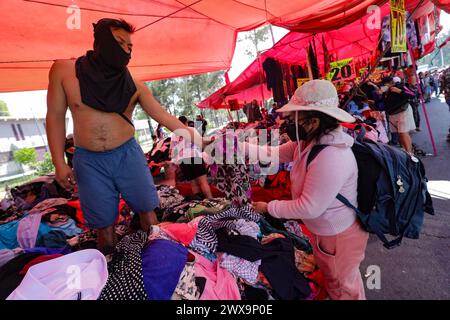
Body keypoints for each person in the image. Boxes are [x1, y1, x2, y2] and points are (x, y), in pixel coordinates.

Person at [46, 18, 209, 254]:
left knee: (147, 211)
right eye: (119, 42)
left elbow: (165, 117)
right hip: (89, 161)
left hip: (127, 154)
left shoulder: (135, 85)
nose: (125, 50)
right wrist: (59, 163)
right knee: (104, 225)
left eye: (129, 47)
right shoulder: (64, 71)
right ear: (101, 40)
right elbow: (55, 116)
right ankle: (110, 268)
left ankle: (158, 259)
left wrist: (200, 140)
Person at [250, 80, 368, 300]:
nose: (290, 123)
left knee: (343, 289)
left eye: (295, 118)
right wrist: (231, 147)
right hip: (325, 234)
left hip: (337, 237)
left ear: (314, 121)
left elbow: (309, 206)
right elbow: (272, 153)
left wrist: (268, 207)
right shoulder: (309, 143)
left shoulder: (332, 156)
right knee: (342, 282)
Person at [170, 116, 213, 199]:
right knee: (203, 182)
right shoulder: (191, 129)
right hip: (194, 156)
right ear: (186, 122)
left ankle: (200, 203)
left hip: (182, 159)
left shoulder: (174, 134)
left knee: (193, 183)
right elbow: (200, 141)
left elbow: (172, 149)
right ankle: (211, 201)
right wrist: (211, 141)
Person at [382, 76, 416, 153]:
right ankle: (406, 150)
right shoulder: (384, 92)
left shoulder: (400, 86)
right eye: (383, 84)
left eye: (385, 84)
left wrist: (399, 91)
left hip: (403, 111)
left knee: (403, 133)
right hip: (392, 114)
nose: (384, 86)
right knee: (400, 134)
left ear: (391, 83)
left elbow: (412, 94)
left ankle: (410, 153)